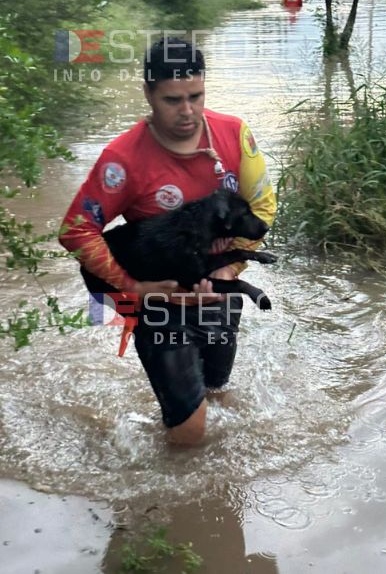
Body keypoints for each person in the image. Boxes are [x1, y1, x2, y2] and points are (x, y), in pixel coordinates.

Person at [59, 37, 277, 445]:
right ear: (148, 94)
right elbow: (76, 230)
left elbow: (262, 206)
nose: (188, 111)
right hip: (160, 305)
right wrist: (133, 288)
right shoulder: (123, 159)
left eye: (196, 96)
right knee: (190, 430)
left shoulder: (234, 134)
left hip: (219, 293)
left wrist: (231, 266)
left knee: (217, 390)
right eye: (172, 100)